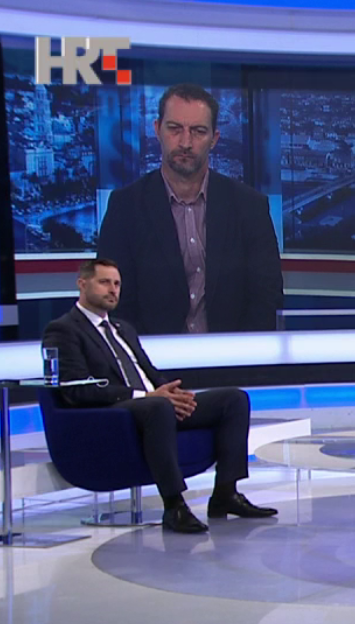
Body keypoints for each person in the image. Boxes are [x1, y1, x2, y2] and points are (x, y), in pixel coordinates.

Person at [42, 259, 278, 534]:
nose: (113, 290)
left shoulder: (122, 328)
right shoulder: (63, 330)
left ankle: (226, 493)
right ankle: (174, 506)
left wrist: (173, 394)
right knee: (158, 407)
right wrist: (148, 396)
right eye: (104, 282)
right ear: (82, 284)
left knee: (233, 400)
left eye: (117, 284)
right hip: (115, 412)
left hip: (153, 403)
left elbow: (148, 372)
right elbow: (76, 389)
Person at [97, 83, 283, 335]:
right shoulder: (125, 207)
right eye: (175, 129)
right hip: (151, 356)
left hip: (231, 354)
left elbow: (266, 300)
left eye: (198, 131)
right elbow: (114, 303)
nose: (185, 142)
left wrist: (239, 355)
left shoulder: (250, 207)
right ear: (157, 130)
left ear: (214, 139)